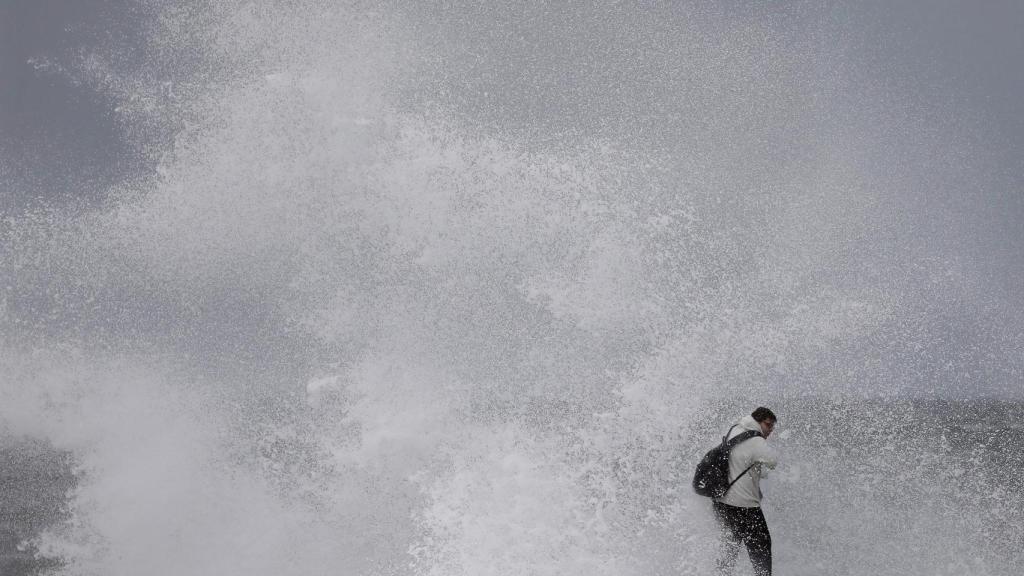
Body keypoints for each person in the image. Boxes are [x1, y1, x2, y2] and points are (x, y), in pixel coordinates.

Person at [712, 407, 778, 576]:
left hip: (722, 503)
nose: (769, 430)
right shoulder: (757, 441)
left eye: (772, 427)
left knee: (729, 549)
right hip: (745, 507)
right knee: (761, 550)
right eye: (768, 425)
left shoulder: (734, 429)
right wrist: (762, 444)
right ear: (757, 421)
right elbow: (772, 461)